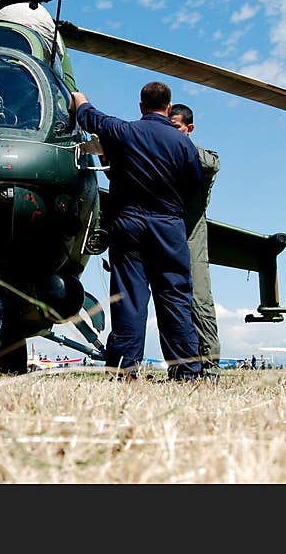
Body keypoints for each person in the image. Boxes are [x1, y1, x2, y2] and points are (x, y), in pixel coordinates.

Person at [70, 82, 205, 381]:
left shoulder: (125, 131)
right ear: (169, 108)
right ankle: (186, 372)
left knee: (129, 298)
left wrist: (79, 100)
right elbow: (196, 188)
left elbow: (91, 117)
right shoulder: (184, 144)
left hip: (128, 223)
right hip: (168, 225)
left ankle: (125, 370)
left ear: (141, 106)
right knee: (174, 297)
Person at [169, 103, 221, 379]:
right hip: (164, 242)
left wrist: (176, 143)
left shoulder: (200, 160)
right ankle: (180, 367)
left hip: (191, 243)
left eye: (175, 127)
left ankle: (210, 368)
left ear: (189, 129)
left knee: (199, 303)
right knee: (171, 309)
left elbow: (212, 162)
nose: (169, 133)